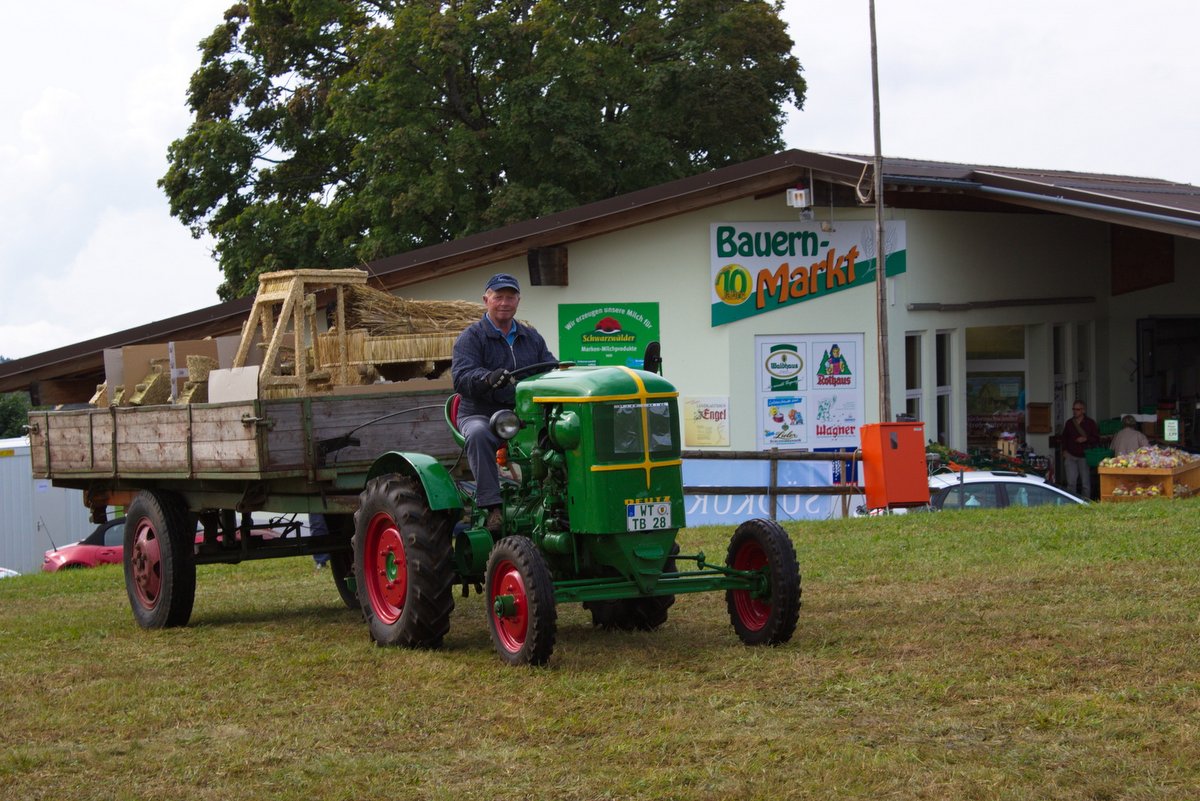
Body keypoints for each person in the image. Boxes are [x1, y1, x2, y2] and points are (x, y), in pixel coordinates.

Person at [452, 273, 556, 533]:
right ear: (486, 300)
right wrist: (487, 379)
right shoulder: (471, 338)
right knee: (477, 435)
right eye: (498, 297)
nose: (504, 303)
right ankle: (492, 507)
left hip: (523, 414)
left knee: (561, 431)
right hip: (481, 412)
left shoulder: (531, 338)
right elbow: (461, 378)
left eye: (510, 297)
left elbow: (550, 367)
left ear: (518, 301)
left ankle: (554, 497)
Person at [1060, 400, 1100, 498]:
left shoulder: (1090, 423)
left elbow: (1096, 438)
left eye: (1077, 409)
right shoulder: (1069, 423)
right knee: (1071, 483)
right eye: (1073, 409)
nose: (1075, 411)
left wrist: (1086, 439)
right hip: (1070, 455)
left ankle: (1085, 503)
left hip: (1084, 456)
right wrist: (1064, 450)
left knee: (1085, 484)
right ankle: (1071, 503)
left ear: (1083, 410)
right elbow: (1064, 438)